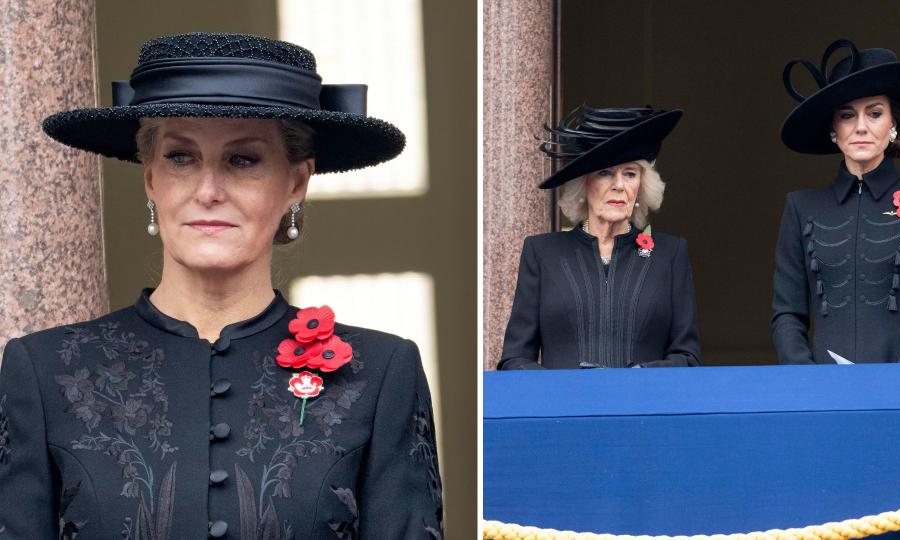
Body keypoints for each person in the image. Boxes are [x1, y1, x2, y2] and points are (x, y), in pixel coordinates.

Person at [0, 33, 442, 539]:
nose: (208, 191)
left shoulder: (382, 373)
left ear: (296, 182)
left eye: (243, 160)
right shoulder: (43, 370)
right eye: (181, 158)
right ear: (150, 179)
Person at [773, 38, 900, 364]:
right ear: (834, 129)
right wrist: (807, 379)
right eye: (847, 115)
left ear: (894, 125)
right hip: (822, 393)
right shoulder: (800, 207)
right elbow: (787, 314)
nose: (860, 127)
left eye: (874, 113)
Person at [498, 106, 700, 370]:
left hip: (644, 406)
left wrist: (639, 377)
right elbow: (514, 361)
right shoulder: (542, 252)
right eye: (604, 173)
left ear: (640, 187)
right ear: (583, 184)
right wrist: (562, 387)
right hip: (562, 408)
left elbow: (688, 358)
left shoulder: (669, 254)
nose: (618, 185)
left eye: (629, 173)